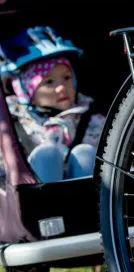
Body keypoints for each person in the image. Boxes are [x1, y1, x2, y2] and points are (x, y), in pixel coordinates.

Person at [1, 26, 105, 183]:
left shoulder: (93, 121)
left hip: (89, 196)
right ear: (25, 89)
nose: (62, 87)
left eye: (67, 78)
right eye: (49, 82)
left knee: (85, 153)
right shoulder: (13, 126)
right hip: (31, 197)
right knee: (47, 155)